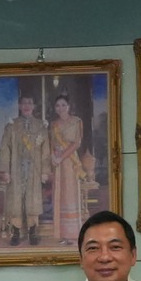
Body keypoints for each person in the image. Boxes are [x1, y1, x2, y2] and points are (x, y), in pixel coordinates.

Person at [0, 92, 49, 247]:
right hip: (16, 169)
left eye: (30, 103)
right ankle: (16, 233)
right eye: (24, 103)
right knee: (15, 200)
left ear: (34, 106)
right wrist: (5, 170)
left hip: (34, 169)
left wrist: (45, 171)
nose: (26, 106)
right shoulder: (11, 126)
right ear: (19, 106)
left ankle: (33, 233)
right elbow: (5, 148)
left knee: (33, 200)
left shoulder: (41, 126)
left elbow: (45, 151)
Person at [46, 92, 91, 243]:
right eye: (57, 105)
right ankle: (62, 234)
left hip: (70, 162)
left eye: (63, 105)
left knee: (70, 194)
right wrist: (53, 156)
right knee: (59, 195)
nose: (61, 108)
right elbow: (51, 143)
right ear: (55, 108)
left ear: (69, 106)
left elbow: (76, 143)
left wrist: (61, 156)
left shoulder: (76, 121)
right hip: (58, 164)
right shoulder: (53, 124)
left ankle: (74, 233)